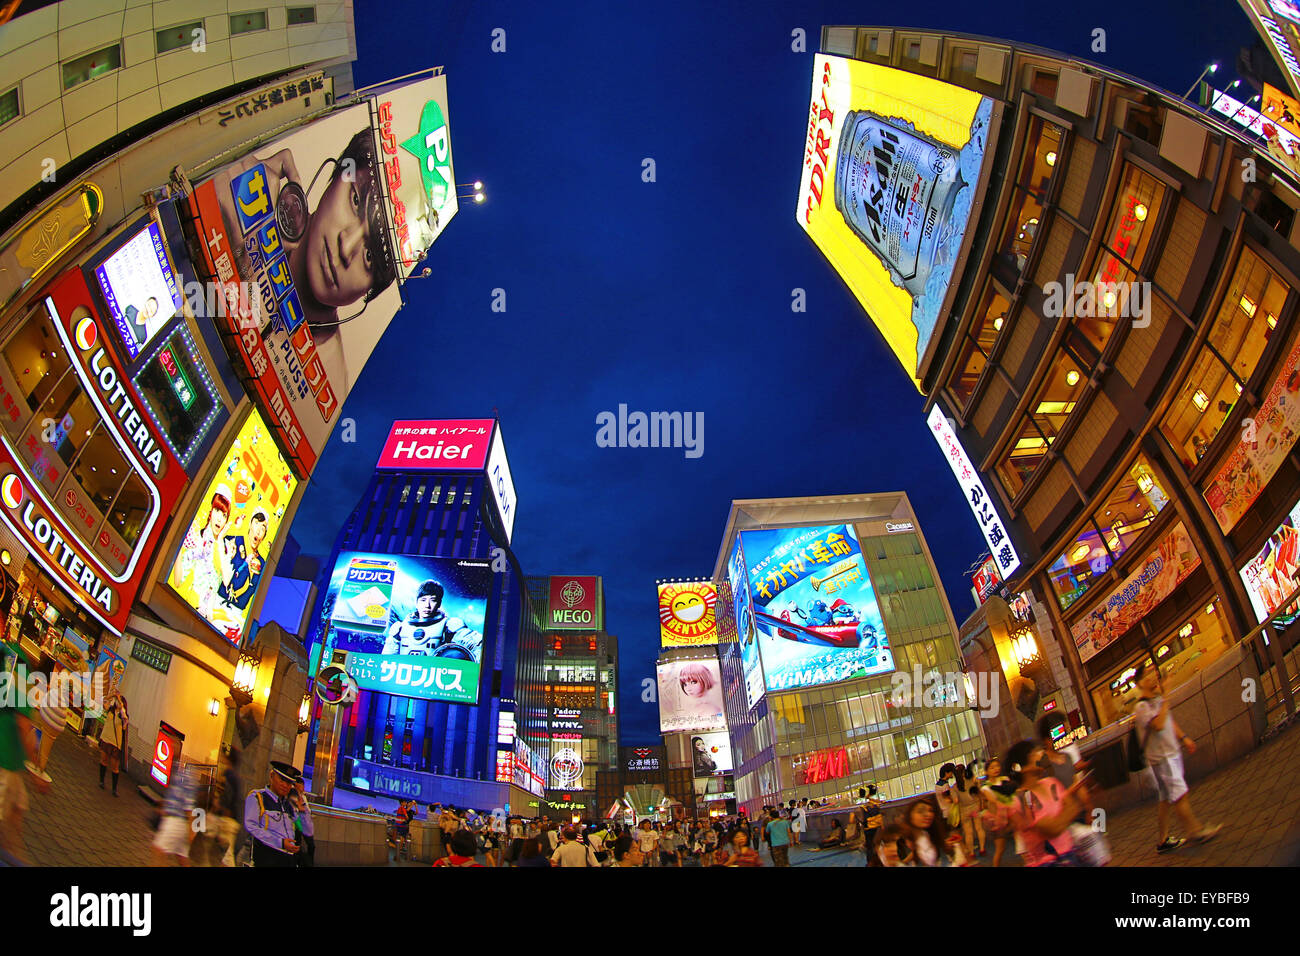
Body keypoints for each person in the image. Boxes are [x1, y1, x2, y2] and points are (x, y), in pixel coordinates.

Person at [210, 127, 400, 393]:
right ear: (334, 177)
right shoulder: (246, 193)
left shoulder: (330, 382)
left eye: (371, 256)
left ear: (370, 289)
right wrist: (221, 183)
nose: (346, 247)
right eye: (355, 200)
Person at [1132, 661, 1223, 853]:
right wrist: (1166, 695)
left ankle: (1163, 840)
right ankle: (1196, 832)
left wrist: (1184, 738)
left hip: (1169, 754)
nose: (1153, 677)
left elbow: (1169, 722)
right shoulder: (1141, 707)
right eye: (1147, 675)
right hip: (1162, 760)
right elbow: (1158, 724)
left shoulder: (1155, 700)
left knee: (1165, 799)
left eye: (1152, 672)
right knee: (1180, 796)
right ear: (1139, 683)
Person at [1003, 739, 1087, 867]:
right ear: (1022, 767)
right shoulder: (1018, 801)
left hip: (1071, 854)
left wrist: (1057, 822)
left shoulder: (1051, 783)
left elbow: (1074, 808)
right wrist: (1065, 814)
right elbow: (1050, 830)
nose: (1042, 754)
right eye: (1035, 752)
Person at [0, 650, 50, 863]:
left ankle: (15, 856)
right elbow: (23, 725)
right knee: (8, 822)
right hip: (6, 763)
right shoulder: (20, 672)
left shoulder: (7, 658)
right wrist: (37, 774)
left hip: (11, 764)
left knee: (16, 815)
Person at [383, 580, 484, 661]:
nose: (427, 605)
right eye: (423, 600)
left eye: (433, 600)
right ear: (416, 603)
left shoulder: (450, 626)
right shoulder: (400, 628)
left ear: (439, 603)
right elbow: (386, 659)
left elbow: (479, 646)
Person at [173, 489, 233, 619]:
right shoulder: (198, 539)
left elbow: (227, 580)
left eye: (224, 515)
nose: (219, 519)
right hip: (190, 607)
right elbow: (178, 581)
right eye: (217, 511)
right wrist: (179, 547)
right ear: (211, 512)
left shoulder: (225, 547)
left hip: (209, 614)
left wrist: (221, 540)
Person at [244, 761, 313, 867]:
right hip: (266, 859)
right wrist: (280, 842)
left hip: (289, 860)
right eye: (282, 780)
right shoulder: (258, 797)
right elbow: (251, 827)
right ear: (272, 776)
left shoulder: (289, 806)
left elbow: (306, 831)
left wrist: (303, 810)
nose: (285, 785)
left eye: (289, 783)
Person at [218, 509, 269, 610]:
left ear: (264, 536)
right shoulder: (232, 541)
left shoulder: (262, 564)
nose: (258, 531)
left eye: (262, 529)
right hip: (217, 600)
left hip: (237, 614)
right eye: (256, 523)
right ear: (250, 524)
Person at [152, 764, 198, 866]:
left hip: (176, 822)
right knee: (182, 857)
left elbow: (189, 806)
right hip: (178, 822)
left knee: (158, 849)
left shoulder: (186, 776)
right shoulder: (177, 771)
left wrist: (191, 829)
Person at [979, 757, 1016, 868]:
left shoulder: (1004, 780)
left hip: (1012, 815)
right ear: (987, 771)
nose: (996, 769)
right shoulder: (985, 787)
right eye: (992, 768)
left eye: (997, 766)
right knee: (1000, 848)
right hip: (997, 820)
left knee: (1023, 840)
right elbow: (993, 800)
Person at [213, 748, 243, 867]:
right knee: (225, 856)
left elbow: (227, 795)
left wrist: (220, 807)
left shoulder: (229, 774)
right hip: (230, 819)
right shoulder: (235, 776)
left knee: (227, 857)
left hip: (227, 819)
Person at [97, 689, 129, 796]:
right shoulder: (110, 710)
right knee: (103, 760)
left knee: (115, 767)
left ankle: (114, 789)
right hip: (106, 739)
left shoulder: (123, 717)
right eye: (116, 701)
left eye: (120, 702)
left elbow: (123, 714)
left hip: (115, 744)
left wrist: (119, 698)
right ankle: (101, 781)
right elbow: (103, 700)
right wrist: (113, 695)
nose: (117, 703)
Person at [901, 799, 949, 866]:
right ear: (910, 816)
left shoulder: (927, 834)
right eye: (920, 811)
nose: (928, 814)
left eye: (930, 811)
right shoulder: (903, 840)